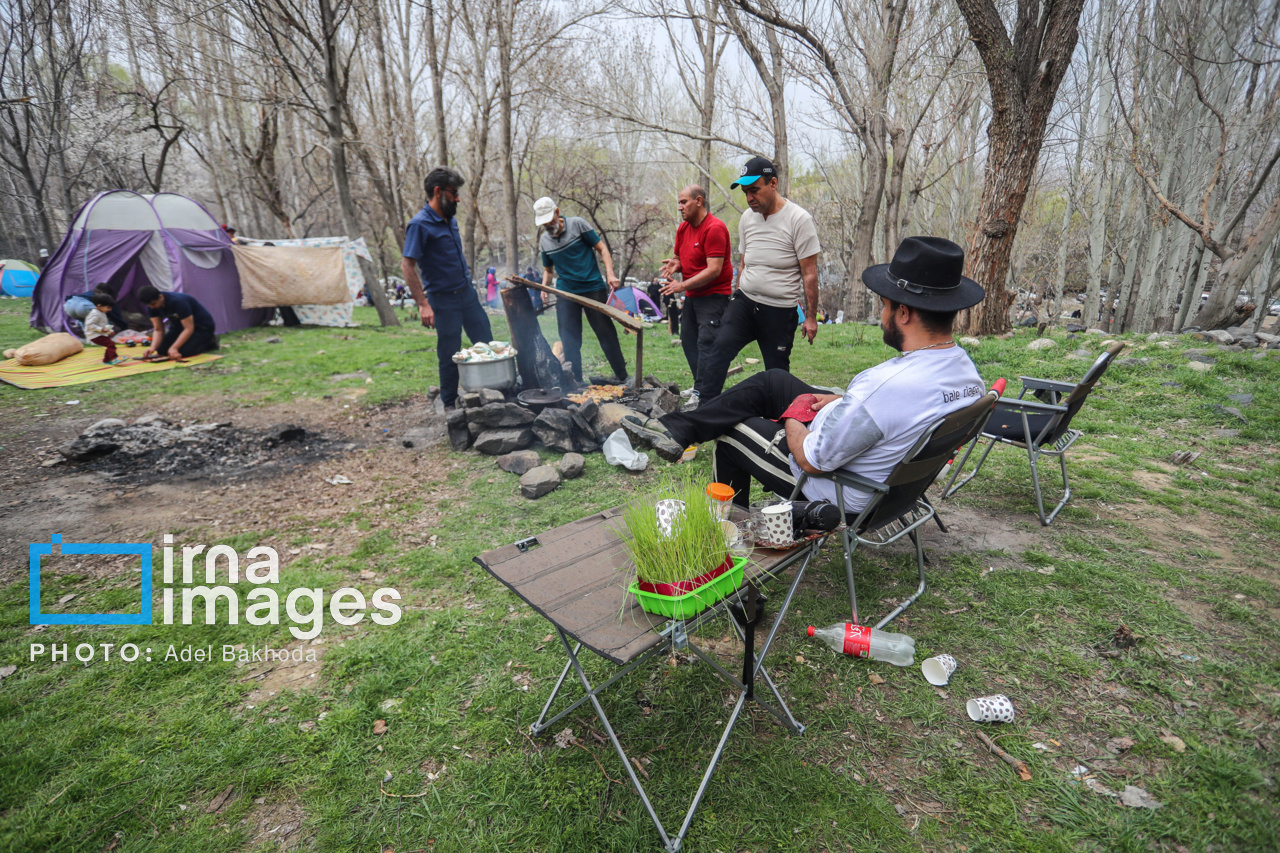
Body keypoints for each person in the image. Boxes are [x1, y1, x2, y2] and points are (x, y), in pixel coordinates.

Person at [621, 236, 986, 514]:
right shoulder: (967, 375)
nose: (882, 314)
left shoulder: (884, 387)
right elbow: (898, 411)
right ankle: (676, 430)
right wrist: (843, 401)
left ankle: (731, 533)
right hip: (892, 484)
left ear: (904, 313)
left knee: (732, 432)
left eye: (885, 305)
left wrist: (794, 417)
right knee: (773, 381)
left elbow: (812, 459)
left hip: (841, 489)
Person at [696, 157, 821, 401]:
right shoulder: (747, 218)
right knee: (718, 350)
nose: (749, 198)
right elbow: (744, 263)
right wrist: (736, 296)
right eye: (745, 192)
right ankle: (705, 407)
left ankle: (778, 416)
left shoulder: (799, 219)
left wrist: (810, 317)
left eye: (754, 190)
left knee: (776, 372)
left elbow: (809, 274)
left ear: (773, 184)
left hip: (779, 309)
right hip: (745, 302)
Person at [401, 167, 493, 409]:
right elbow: (407, 265)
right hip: (442, 300)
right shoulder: (419, 225)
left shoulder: (450, 221)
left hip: (466, 294)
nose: (458, 198)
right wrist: (423, 304)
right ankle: (450, 405)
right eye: (454, 193)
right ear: (438, 191)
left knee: (486, 341)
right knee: (450, 352)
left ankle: (494, 392)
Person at [534, 196, 628, 385]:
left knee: (605, 332)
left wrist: (610, 274)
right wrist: (544, 287)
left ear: (557, 212)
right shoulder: (544, 241)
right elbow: (548, 270)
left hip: (592, 286)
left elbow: (602, 249)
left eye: (549, 220)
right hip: (566, 292)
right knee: (569, 337)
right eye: (544, 223)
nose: (548, 225)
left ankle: (623, 376)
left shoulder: (578, 224)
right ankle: (575, 380)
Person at [659, 185, 733, 406]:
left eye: (684, 202)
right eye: (679, 203)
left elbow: (714, 269)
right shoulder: (683, 228)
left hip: (713, 296)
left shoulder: (714, 228)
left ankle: (704, 395)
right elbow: (680, 258)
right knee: (688, 340)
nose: (680, 207)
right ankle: (700, 385)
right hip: (693, 295)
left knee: (706, 344)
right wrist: (676, 264)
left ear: (698, 201)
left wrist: (681, 285)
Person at [139, 285, 219, 359]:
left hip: (200, 327)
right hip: (178, 327)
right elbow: (158, 329)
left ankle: (209, 341)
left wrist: (174, 348)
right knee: (161, 350)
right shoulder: (151, 307)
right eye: (149, 305)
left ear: (160, 297)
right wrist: (152, 348)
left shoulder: (178, 301)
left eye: (153, 304)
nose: (152, 307)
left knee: (183, 352)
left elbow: (188, 328)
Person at [85, 292, 122, 363]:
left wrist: (110, 331)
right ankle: (113, 358)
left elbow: (103, 325)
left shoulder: (101, 312)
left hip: (99, 334)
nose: (110, 310)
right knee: (110, 344)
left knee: (110, 344)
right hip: (94, 335)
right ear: (99, 306)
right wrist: (101, 329)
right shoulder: (95, 314)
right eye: (108, 307)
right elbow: (89, 325)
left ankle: (107, 360)